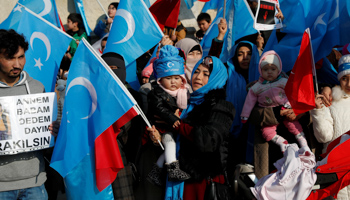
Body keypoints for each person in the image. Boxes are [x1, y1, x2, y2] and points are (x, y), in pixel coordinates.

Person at [147, 56, 235, 200]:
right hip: (178, 179)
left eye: (206, 74)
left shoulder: (221, 106)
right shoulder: (183, 103)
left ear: (216, 78)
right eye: (196, 72)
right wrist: (158, 139)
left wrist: (177, 124)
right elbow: (175, 142)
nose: (198, 77)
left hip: (201, 181)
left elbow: (209, 140)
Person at [0, 29, 58, 199]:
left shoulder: (36, 88)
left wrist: (52, 130)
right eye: (10, 58)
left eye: (21, 57)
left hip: (35, 183)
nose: (17, 64)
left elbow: (47, 133)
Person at [240, 50, 307, 152]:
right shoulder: (257, 86)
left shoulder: (284, 81)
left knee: (294, 126)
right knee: (266, 132)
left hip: (286, 108)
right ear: (261, 71)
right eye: (266, 69)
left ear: (278, 70)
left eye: (273, 69)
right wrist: (245, 115)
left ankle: (303, 143)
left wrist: (290, 105)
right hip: (268, 112)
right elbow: (249, 101)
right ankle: (282, 143)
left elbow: (294, 93)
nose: (269, 72)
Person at [146, 45, 191, 186]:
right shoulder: (156, 93)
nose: (173, 82)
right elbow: (159, 109)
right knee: (170, 143)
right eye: (169, 78)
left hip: (174, 127)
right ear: (160, 80)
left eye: (177, 78)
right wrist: (172, 118)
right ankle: (173, 169)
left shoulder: (184, 93)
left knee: (170, 148)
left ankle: (156, 170)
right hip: (163, 127)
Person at [310, 54, 350, 200]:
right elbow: (324, 137)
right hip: (335, 167)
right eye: (345, 78)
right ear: (339, 78)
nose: (349, 83)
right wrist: (318, 111)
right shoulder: (330, 101)